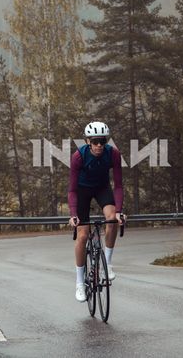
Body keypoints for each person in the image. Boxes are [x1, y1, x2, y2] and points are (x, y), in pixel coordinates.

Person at [68, 121, 124, 302]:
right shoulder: (78, 156)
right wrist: (74, 215)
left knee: (112, 219)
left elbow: (118, 185)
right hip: (82, 191)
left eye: (103, 141)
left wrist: (119, 211)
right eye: (95, 141)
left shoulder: (113, 153)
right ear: (88, 141)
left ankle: (106, 264)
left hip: (102, 188)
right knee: (83, 236)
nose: (99, 145)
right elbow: (72, 190)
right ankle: (79, 283)